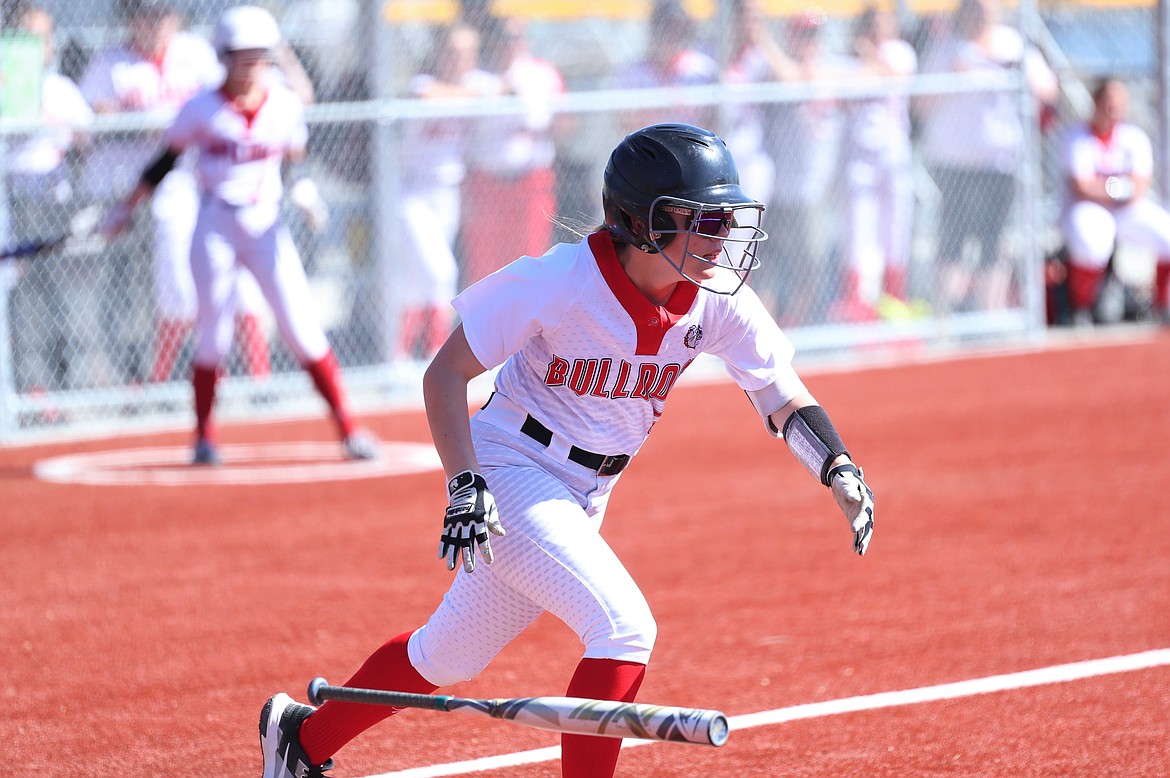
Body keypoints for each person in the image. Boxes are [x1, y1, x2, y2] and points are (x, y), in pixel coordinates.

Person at [256, 123, 876, 778]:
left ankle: (301, 738)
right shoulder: (562, 280)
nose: (722, 236)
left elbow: (780, 395)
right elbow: (444, 374)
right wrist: (465, 481)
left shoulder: (717, 299)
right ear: (645, 224)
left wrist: (835, 465)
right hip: (512, 466)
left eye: (727, 219)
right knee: (624, 627)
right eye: (705, 219)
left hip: (585, 494)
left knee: (448, 655)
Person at [100, 5, 378, 465]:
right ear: (222, 58)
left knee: (302, 329)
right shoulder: (202, 108)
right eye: (240, 56)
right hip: (216, 224)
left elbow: (295, 159)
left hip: (267, 225)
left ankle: (349, 429)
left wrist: (304, 191)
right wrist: (124, 210)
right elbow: (162, 164)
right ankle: (204, 437)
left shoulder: (284, 103)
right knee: (213, 334)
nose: (250, 67)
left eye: (258, 57)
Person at [80, 0, 272, 386]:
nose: (155, 23)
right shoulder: (112, 62)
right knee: (151, 290)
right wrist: (136, 121)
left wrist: (179, 124)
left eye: (162, 13)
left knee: (211, 283)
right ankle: (152, 376)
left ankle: (243, 378)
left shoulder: (193, 52)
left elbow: (227, 98)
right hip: (130, 184)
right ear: (130, 18)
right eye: (145, 14)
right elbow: (93, 116)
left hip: (191, 182)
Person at [917, 0, 1057, 314]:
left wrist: (1007, 67)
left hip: (1000, 164)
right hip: (953, 165)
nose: (979, 15)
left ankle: (989, 314)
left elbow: (1048, 89)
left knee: (993, 240)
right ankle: (947, 315)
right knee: (953, 240)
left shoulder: (1012, 44)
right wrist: (954, 71)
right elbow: (920, 104)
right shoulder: (945, 48)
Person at [390, 21, 500, 360]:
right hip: (414, 193)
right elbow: (426, 96)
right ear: (438, 53)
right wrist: (475, 93)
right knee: (440, 271)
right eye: (454, 52)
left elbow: (503, 87)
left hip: (448, 193)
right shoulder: (423, 83)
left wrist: (483, 90)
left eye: (469, 53)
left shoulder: (475, 83)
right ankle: (434, 354)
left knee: (420, 280)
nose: (461, 60)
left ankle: (405, 357)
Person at [4, 5, 94, 397]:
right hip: (13, 203)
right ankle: (30, 387)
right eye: (37, 38)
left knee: (66, 297)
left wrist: (66, 134)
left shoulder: (60, 88)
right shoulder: (7, 83)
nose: (48, 46)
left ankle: (70, 384)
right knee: (24, 301)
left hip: (56, 202)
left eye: (48, 37)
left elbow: (89, 138)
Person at [459, 16, 567, 288]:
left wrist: (542, 122)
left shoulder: (541, 74)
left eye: (516, 38)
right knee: (485, 272)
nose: (510, 45)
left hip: (531, 183)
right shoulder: (476, 77)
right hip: (486, 185)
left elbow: (566, 122)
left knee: (530, 265)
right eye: (504, 38)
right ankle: (488, 329)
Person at [1059, 77, 1170, 326]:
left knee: (1166, 234)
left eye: (1120, 103)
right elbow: (1082, 186)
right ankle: (1081, 308)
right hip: (1087, 208)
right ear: (1096, 104)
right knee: (1092, 243)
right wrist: (1119, 187)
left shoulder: (1134, 138)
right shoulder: (1077, 137)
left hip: (1125, 211)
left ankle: (1162, 305)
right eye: (1108, 102)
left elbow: (1140, 186)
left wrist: (1107, 187)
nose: (1114, 109)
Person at [834, 6, 918, 321]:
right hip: (859, 157)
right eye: (873, 22)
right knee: (858, 229)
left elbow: (893, 75)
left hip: (894, 155)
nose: (879, 27)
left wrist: (867, 55)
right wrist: (862, 62)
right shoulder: (849, 60)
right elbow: (842, 89)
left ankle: (895, 296)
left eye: (885, 21)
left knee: (895, 226)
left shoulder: (900, 52)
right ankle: (859, 302)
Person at [614, 0, 719, 133]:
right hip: (646, 146)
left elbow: (711, 119)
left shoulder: (702, 69)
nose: (672, 35)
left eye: (678, 28)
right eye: (666, 27)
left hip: (690, 145)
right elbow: (625, 120)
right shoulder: (634, 72)